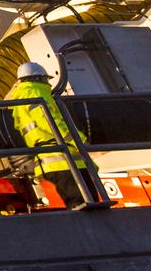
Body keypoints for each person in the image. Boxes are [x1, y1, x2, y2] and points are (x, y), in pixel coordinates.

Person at [7, 62, 94, 209]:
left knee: (79, 200)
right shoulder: (36, 92)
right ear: (39, 78)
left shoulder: (19, 100)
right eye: (46, 79)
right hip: (61, 155)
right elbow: (49, 121)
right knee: (83, 201)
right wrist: (78, 139)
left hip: (46, 157)